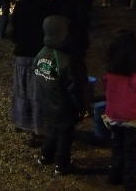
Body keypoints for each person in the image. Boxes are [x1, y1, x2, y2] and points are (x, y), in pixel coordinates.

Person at [34, 15, 88, 175]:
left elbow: (36, 72)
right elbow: (74, 87)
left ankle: (45, 155)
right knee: (65, 134)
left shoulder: (42, 53)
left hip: (47, 101)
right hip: (63, 106)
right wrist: (81, 106)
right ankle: (62, 164)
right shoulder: (65, 59)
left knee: (55, 130)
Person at [102, 30, 136, 191]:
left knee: (117, 146)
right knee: (133, 151)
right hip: (133, 119)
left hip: (114, 116)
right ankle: (131, 182)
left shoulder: (109, 74)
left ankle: (114, 176)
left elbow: (106, 90)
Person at [11, 0, 51, 144]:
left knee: (25, 92)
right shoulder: (48, 5)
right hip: (44, 53)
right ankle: (43, 128)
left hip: (24, 53)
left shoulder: (21, 6)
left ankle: (29, 127)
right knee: (43, 93)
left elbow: (14, 32)